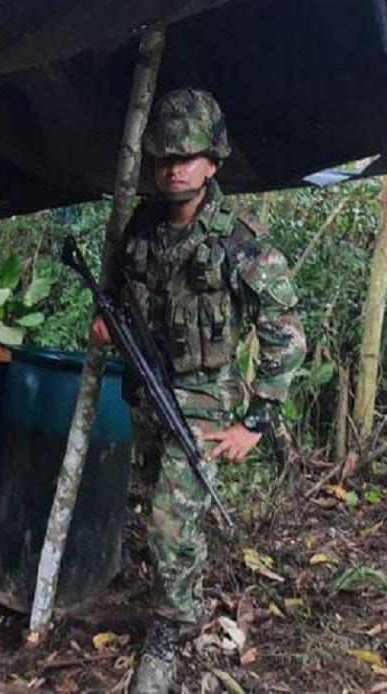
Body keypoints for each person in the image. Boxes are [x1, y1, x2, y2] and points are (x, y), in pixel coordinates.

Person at [92, 89, 306, 693]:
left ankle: (171, 627)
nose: (174, 168)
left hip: (206, 407)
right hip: (149, 394)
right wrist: (108, 324)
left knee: (169, 522)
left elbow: (287, 334)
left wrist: (256, 422)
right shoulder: (140, 227)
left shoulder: (238, 238)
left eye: (188, 156)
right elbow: (120, 296)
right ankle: (172, 590)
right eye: (165, 157)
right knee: (156, 511)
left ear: (213, 162)